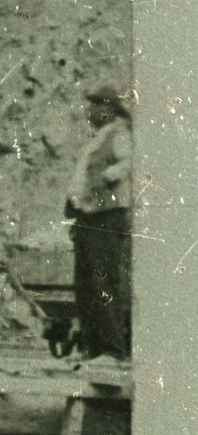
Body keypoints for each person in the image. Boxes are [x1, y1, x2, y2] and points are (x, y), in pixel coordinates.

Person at [66, 85, 132, 360]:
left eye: (97, 105)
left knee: (103, 282)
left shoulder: (119, 135)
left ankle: (111, 349)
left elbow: (130, 162)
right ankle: (92, 347)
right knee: (85, 285)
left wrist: (109, 176)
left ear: (110, 110)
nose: (91, 111)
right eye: (91, 105)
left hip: (106, 216)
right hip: (88, 216)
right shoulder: (96, 140)